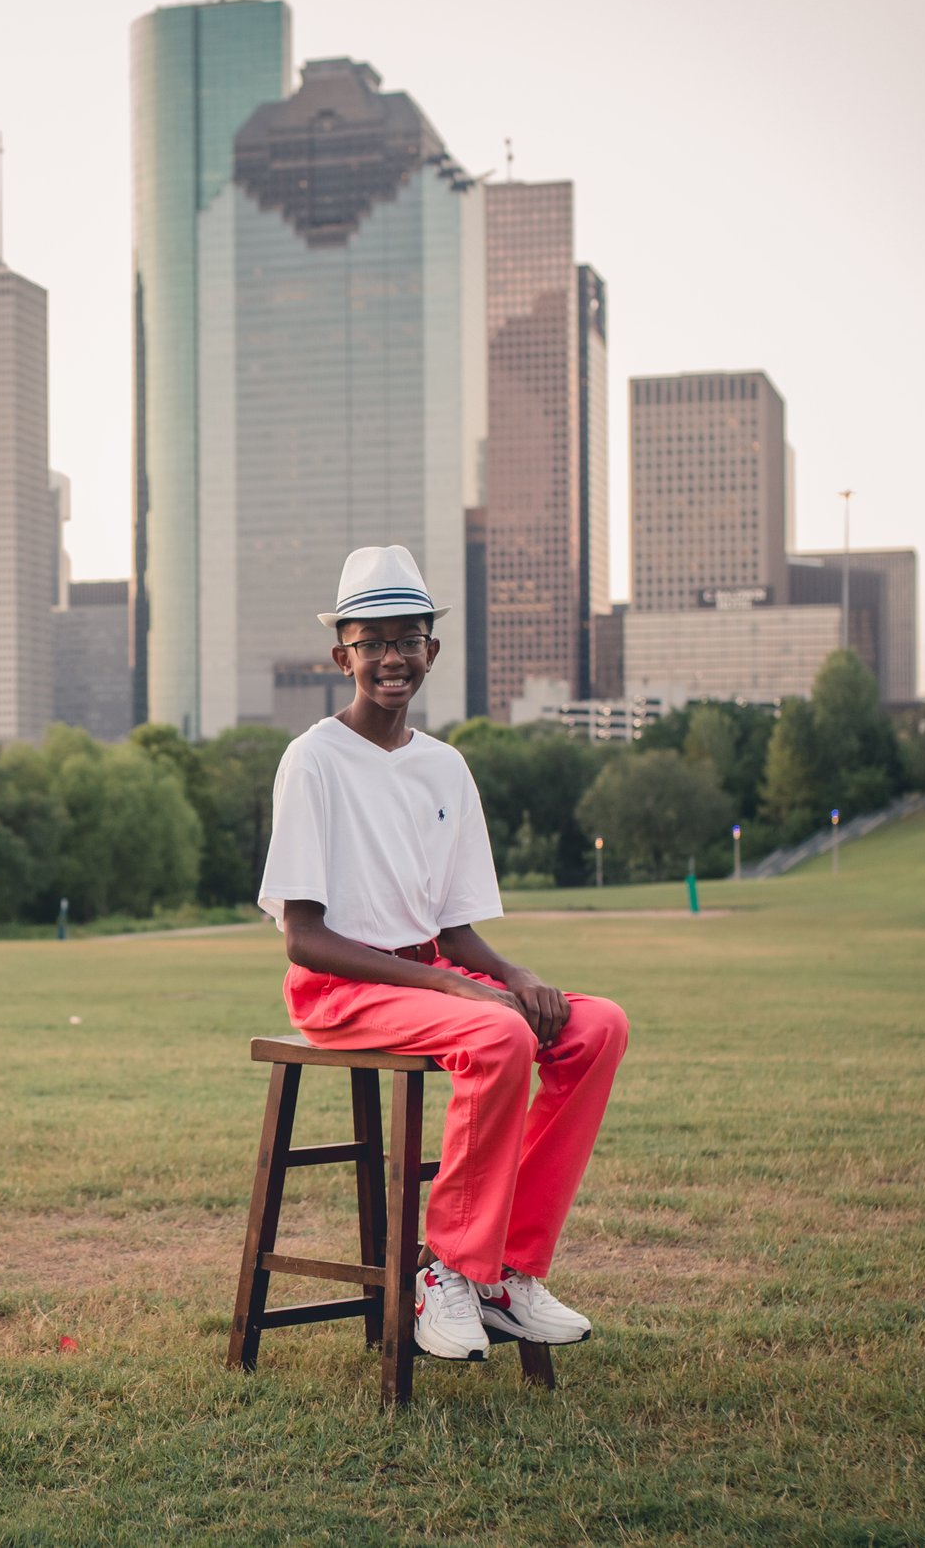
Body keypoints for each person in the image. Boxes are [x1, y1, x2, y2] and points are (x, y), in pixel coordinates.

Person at [257, 545, 629, 1362]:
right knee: (496, 1035)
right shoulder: (313, 759)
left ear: (433, 649)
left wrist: (513, 975)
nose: (392, 656)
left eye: (409, 637)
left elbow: (456, 930)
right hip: (338, 982)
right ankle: (446, 1271)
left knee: (594, 1025)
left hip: (433, 971)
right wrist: (457, 992)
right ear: (341, 654)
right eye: (373, 639)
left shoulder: (446, 767)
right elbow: (304, 935)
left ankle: (505, 1273)